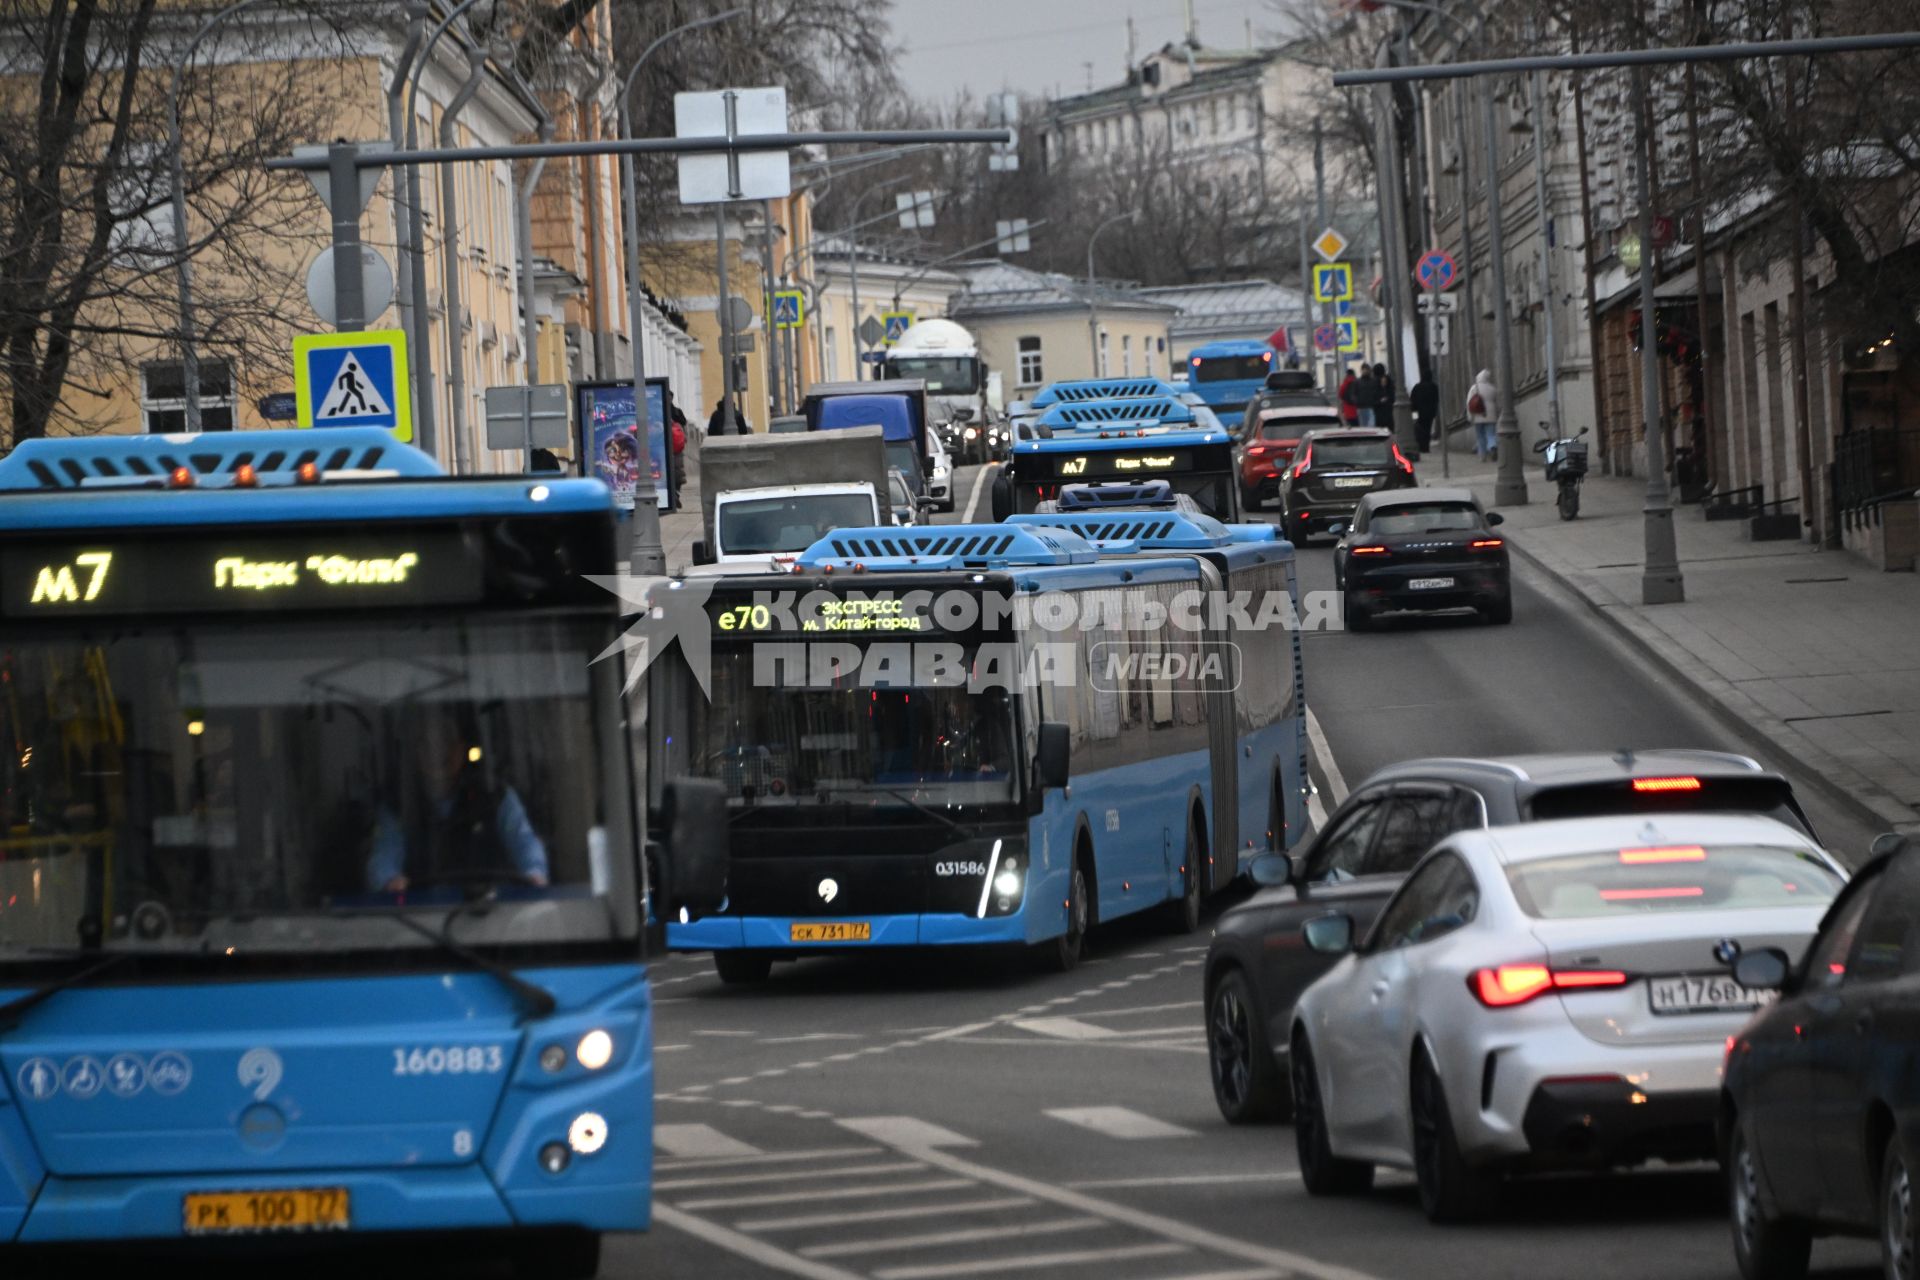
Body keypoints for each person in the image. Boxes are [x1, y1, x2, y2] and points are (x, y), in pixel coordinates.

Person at [364, 712, 549, 893]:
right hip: (420, 916)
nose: (438, 751)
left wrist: (534, 873)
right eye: (427, 744)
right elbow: (384, 855)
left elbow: (525, 842)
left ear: (461, 748)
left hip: (494, 913)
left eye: (447, 741)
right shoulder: (397, 806)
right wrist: (389, 880)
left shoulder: (497, 797)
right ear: (416, 751)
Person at [1467, 369, 1499, 460]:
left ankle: (1483, 456)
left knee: (1480, 435)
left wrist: (1470, 416)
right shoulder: (1492, 388)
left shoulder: (1474, 388)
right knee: (1491, 434)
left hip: (1478, 414)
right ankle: (1492, 446)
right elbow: (1497, 402)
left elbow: (1469, 402)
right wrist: (1498, 413)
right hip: (1491, 414)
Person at [1410, 368, 1440, 453]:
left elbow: (1413, 399)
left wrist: (1414, 408)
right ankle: (1426, 446)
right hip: (1430, 413)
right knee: (1428, 429)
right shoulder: (1434, 386)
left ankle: (1421, 446)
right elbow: (1436, 399)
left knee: (1420, 429)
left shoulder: (1417, 387)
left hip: (1420, 412)